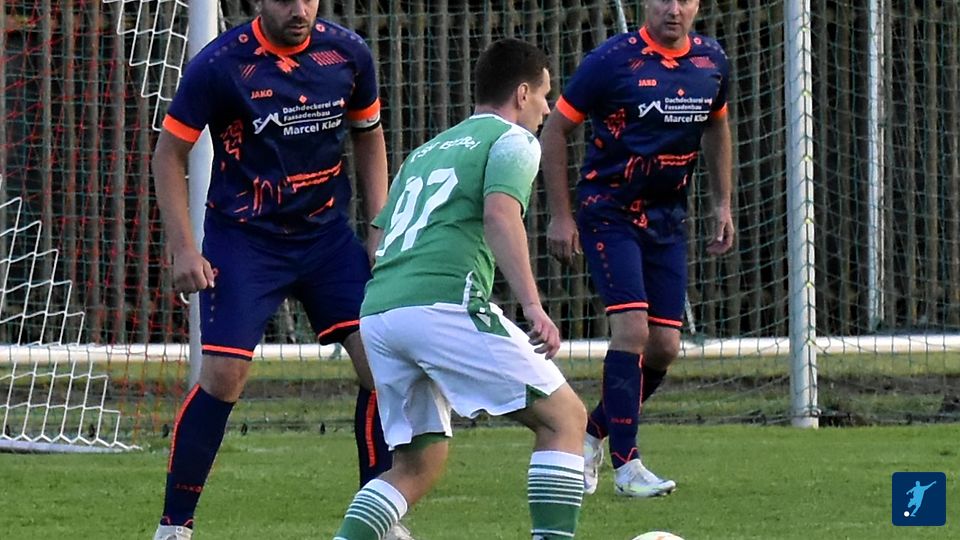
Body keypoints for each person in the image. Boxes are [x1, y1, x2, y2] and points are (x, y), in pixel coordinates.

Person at [150, 1, 412, 538]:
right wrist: (183, 249)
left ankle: (379, 523)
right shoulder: (220, 64)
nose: (299, 9)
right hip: (245, 239)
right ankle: (174, 526)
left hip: (325, 237)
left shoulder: (347, 53)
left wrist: (379, 223)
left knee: (381, 365)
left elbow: (369, 133)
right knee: (223, 377)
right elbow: (168, 155)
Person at [333, 38, 588, 540]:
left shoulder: (424, 153)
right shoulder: (514, 140)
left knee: (417, 463)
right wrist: (533, 306)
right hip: (442, 306)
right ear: (522, 93)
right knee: (565, 418)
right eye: (544, 96)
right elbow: (501, 215)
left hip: (380, 313)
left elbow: (378, 241)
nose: (547, 110)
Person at [539, 0, 734, 498]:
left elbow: (717, 124)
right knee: (631, 330)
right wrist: (561, 215)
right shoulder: (611, 60)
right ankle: (627, 468)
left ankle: (592, 432)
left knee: (665, 346)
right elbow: (555, 129)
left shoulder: (712, 61)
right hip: (609, 212)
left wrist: (722, 203)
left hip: (667, 219)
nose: (674, 9)